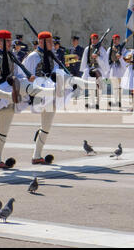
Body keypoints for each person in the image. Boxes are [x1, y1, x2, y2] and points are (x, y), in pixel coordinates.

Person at [0, 30, 52, 169]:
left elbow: (18, 74)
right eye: (7, 41)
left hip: (9, 95)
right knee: (3, 127)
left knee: (4, 128)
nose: (10, 43)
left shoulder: (11, 57)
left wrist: (27, 78)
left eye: (10, 41)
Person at [23, 31, 91, 164]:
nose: (52, 44)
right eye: (49, 41)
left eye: (52, 41)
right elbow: (26, 76)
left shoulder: (51, 56)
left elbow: (55, 73)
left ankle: (37, 156)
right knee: (45, 126)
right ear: (41, 42)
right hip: (39, 95)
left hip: (51, 95)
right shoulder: (32, 57)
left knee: (46, 127)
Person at [80, 33, 109, 110]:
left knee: (98, 86)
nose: (93, 40)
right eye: (92, 39)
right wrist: (84, 70)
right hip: (89, 68)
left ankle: (97, 103)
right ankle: (91, 102)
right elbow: (84, 60)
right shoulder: (87, 49)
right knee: (90, 86)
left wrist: (97, 57)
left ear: (97, 39)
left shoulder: (102, 50)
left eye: (95, 39)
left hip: (98, 68)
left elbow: (105, 63)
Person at [107, 34, 127, 108]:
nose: (115, 41)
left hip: (120, 69)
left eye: (116, 39)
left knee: (120, 87)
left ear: (119, 40)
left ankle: (120, 101)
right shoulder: (110, 49)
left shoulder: (123, 49)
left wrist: (120, 57)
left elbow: (125, 59)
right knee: (114, 87)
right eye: (114, 39)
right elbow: (107, 60)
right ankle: (115, 101)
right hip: (113, 69)